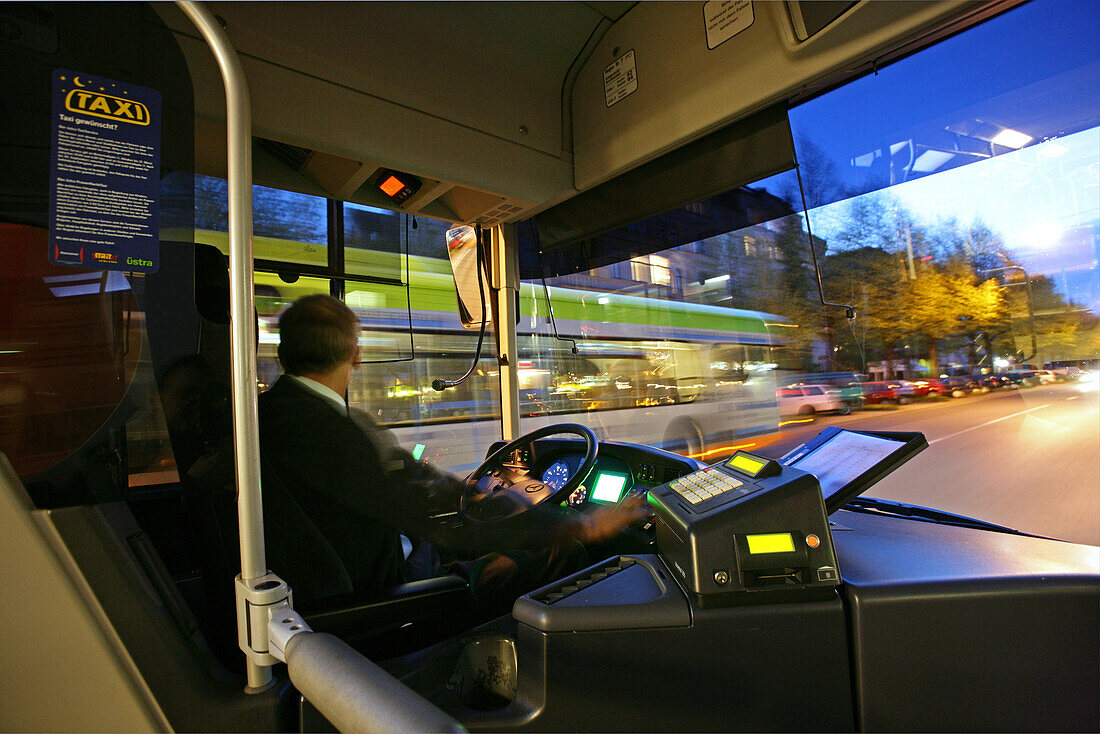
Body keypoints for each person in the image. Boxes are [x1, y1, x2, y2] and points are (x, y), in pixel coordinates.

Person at [257, 294, 645, 615]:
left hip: (333, 584)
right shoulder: (332, 432)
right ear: (355, 354)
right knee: (553, 554)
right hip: (380, 601)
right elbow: (433, 509)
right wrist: (582, 526)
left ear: (282, 354)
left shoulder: (269, 413)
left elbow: (416, 494)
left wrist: (475, 500)